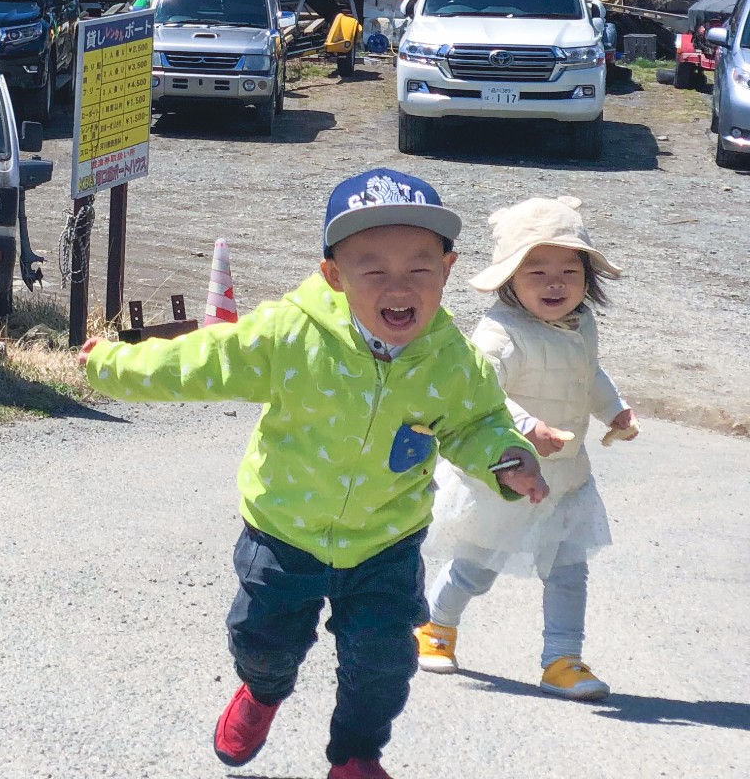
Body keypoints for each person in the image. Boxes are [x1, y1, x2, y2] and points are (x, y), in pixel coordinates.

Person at [80, 168, 547, 779]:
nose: (398, 286)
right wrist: (113, 364)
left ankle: (356, 754)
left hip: (386, 540)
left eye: (418, 268)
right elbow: (203, 360)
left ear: (448, 269)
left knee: (383, 662)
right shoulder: (291, 334)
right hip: (283, 532)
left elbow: (475, 424)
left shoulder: (454, 362)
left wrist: (506, 459)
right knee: (262, 642)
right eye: (372, 269)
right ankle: (262, 692)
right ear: (334, 275)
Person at [415, 196, 634, 700]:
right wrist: (529, 426)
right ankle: (435, 627)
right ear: (509, 278)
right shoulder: (500, 334)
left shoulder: (581, 325)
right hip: (508, 472)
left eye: (568, 270)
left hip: (565, 476)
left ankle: (562, 660)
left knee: (568, 571)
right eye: (536, 271)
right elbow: (478, 394)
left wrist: (614, 410)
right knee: (477, 566)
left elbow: (589, 375)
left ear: (587, 276)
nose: (555, 283)